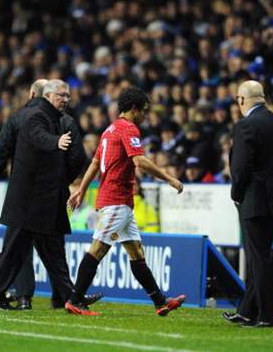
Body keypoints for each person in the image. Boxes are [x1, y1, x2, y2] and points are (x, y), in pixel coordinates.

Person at [66, 87, 185, 316]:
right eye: (144, 111)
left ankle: (160, 301)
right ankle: (75, 299)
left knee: (136, 252)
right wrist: (170, 178)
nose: (146, 116)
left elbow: (94, 163)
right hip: (116, 200)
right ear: (134, 109)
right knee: (97, 249)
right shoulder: (129, 128)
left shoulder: (109, 130)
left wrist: (81, 190)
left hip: (121, 202)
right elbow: (139, 161)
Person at [0, 80, 100, 310]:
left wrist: (59, 181)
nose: (66, 100)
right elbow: (39, 137)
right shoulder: (34, 116)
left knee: (54, 254)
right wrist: (57, 142)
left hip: (44, 199)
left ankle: (71, 298)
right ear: (47, 96)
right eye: (62, 95)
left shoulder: (50, 118)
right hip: (28, 201)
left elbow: (2, 152)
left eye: (68, 96)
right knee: (14, 253)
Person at [223, 80, 273, 328]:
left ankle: (267, 315)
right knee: (259, 254)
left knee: (259, 257)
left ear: (242, 100)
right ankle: (247, 310)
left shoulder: (245, 125)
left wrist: (236, 193)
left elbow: (240, 168)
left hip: (254, 199)